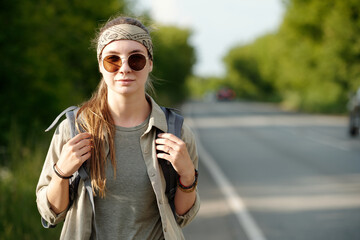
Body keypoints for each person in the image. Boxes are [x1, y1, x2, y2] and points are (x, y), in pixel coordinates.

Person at [36, 15, 200, 240]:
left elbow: (183, 216)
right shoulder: (74, 129)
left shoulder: (175, 132)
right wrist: (61, 173)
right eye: (112, 60)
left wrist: (187, 177)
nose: (124, 68)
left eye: (136, 60)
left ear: (150, 64)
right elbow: (51, 213)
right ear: (100, 66)